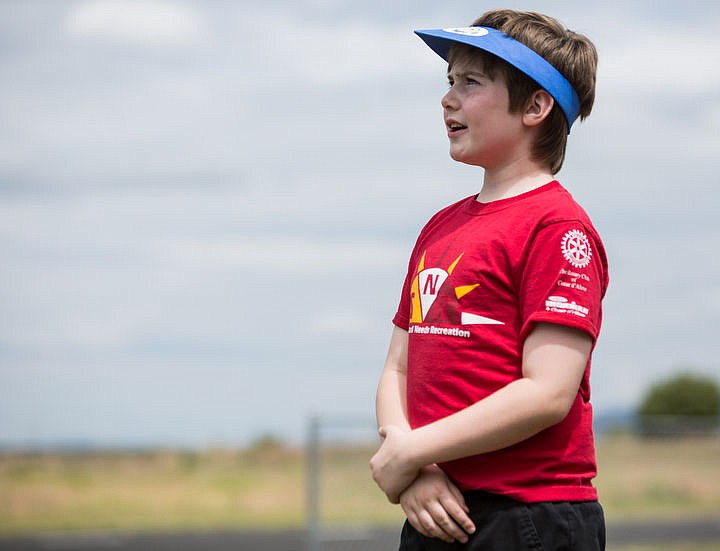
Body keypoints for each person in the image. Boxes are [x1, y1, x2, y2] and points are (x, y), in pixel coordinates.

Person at [369, 9, 609, 551]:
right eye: (449, 81)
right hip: (437, 506)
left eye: (471, 83)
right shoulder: (439, 227)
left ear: (535, 105)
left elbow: (548, 392)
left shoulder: (556, 226)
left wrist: (410, 451)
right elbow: (398, 367)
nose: (447, 99)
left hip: (530, 517)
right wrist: (416, 462)